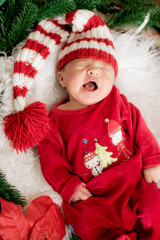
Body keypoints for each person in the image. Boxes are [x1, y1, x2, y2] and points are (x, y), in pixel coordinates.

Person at [37, 9, 160, 240]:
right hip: (93, 195)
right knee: (85, 222)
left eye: (104, 68)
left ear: (113, 78)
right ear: (62, 77)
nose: (94, 70)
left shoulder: (117, 101)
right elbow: (49, 158)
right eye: (82, 64)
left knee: (155, 209)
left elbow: (139, 127)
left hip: (132, 183)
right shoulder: (54, 121)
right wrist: (67, 185)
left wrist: (152, 159)